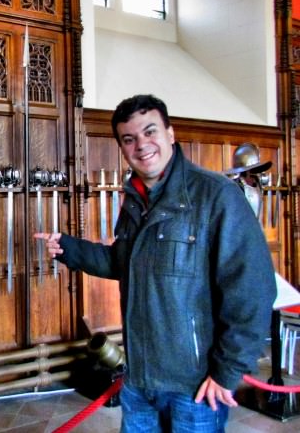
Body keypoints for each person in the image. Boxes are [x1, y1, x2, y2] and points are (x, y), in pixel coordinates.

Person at [35, 94, 276, 432]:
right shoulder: (135, 198)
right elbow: (124, 262)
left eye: (150, 132)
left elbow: (251, 289)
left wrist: (227, 372)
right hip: (139, 380)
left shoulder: (215, 196)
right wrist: (68, 248)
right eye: (129, 139)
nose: (141, 145)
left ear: (170, 134)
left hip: (195, 386)